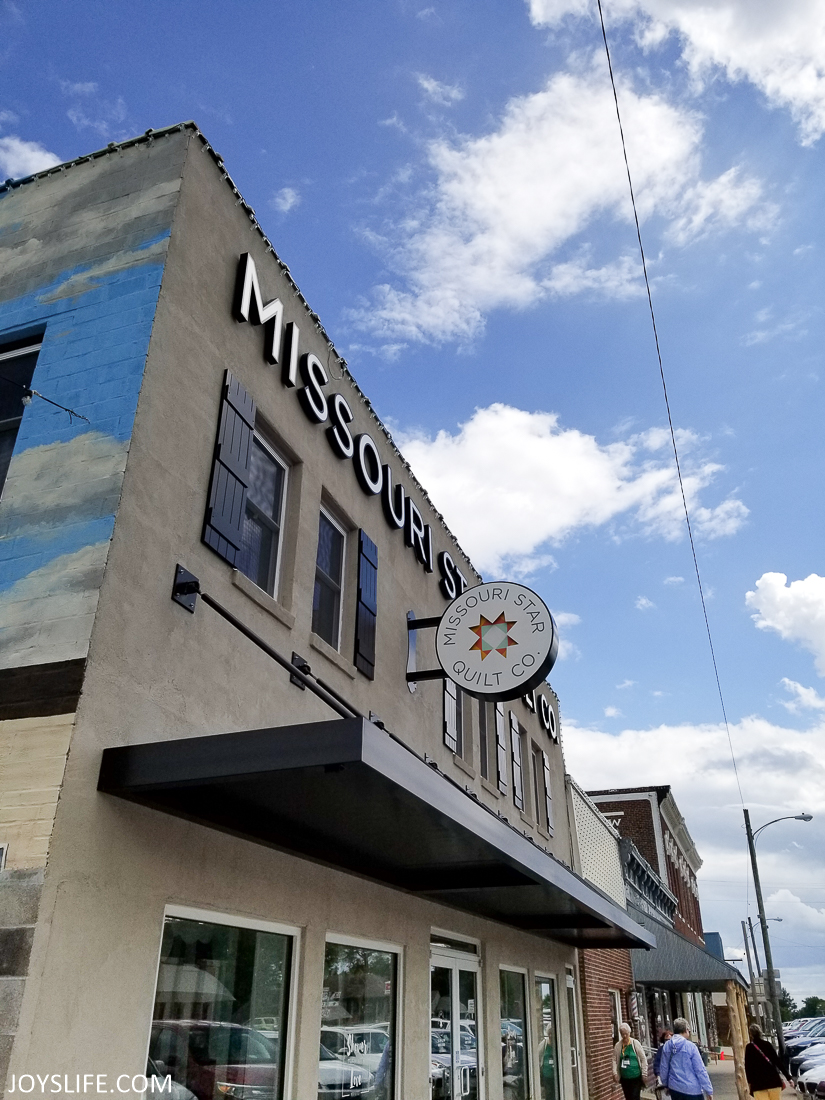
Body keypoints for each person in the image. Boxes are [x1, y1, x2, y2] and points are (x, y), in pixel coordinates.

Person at [659, 1018, 714, 1100]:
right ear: (686, 1030)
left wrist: (666, 1084)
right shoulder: (691, 1046)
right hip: (692, 1089)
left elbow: (664, 1068)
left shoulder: (667, 1046)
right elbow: (700, 1069)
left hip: (675, 1087)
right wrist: (708, 1090)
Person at [744, 1024, 784, 1100]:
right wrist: (788, 1078)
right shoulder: (768, 1045)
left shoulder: (749, 1048)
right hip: (774, 1082)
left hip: (758, 1085)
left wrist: (749, 1082)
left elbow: (747, 1067)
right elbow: (777, 1062)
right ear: (760, 1032)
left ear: (750, 1034)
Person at [613, 1022, 649, 1100]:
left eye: (626, 1034)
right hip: (624, 1078)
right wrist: (615, 1073)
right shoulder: (618, 1046)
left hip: (635, 1077)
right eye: (623, 1034)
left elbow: (643, 1059)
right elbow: (614, 1060)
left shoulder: (635, 1043)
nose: (625, 1036)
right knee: (628, 1097)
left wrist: (644, 1073)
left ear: (629, 1033)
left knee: (634, 1097)